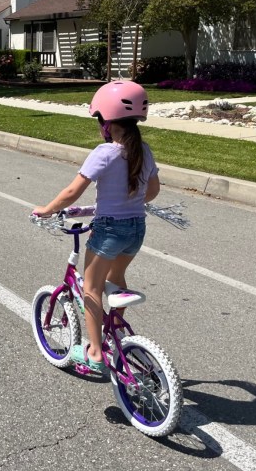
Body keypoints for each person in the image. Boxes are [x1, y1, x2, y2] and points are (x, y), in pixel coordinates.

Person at [32, 80, 160, 372]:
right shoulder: (144, 150)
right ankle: (114, 327)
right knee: (116, 279)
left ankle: (95, 353)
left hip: (109, 231)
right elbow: (152, 191)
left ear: (106, 121)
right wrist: (129, 200)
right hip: (136, 230)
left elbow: (72, 192)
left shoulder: (104, 152)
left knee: (92, 288)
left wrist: (47, 210)